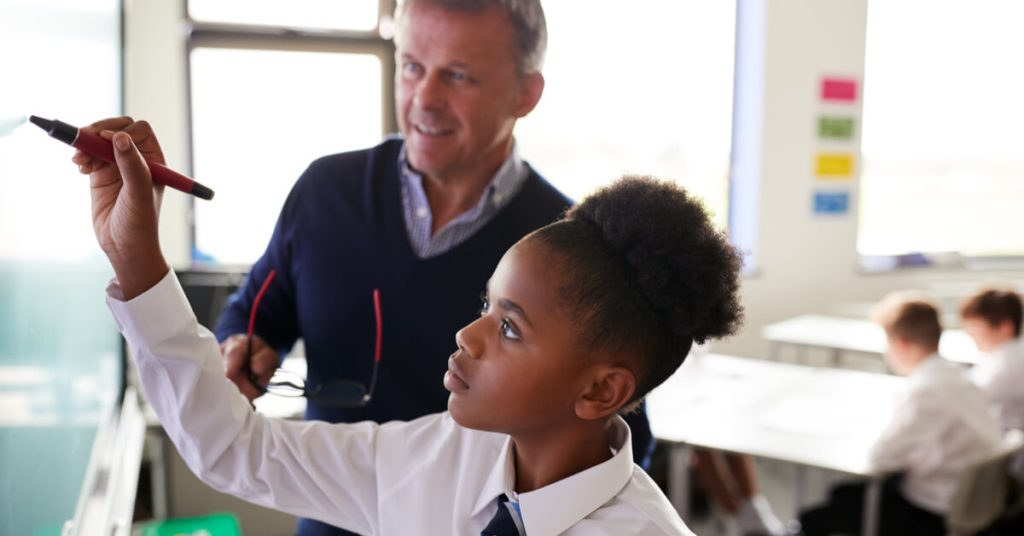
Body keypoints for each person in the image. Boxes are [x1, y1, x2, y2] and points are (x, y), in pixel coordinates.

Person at [79, 122, 744, 534]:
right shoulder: (439, 456)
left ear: (601, 392)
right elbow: (237, 451)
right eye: (486, 306)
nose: (469, 336)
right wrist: (136, 259)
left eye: (509, 328)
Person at [204, 2, 656, 531]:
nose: (424, 98)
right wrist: (244, 344)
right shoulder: (325, 192)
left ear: (525, 94)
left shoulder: (566, 249)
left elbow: (618, 432)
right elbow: (256, 311)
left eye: (458, 76)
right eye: (412, 66)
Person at [798, 292, 1003, 536]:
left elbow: (881, 458)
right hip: (975, 500)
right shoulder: (958, 376)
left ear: (901, 344)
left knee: (819, 514)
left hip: (934, 510)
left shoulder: (927, 392)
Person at [960, 287, 1024, 431]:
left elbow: (965, 398)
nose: (970, 334)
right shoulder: (1003, 358)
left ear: (1005, 327)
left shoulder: (1004, 366)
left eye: (975, 326)